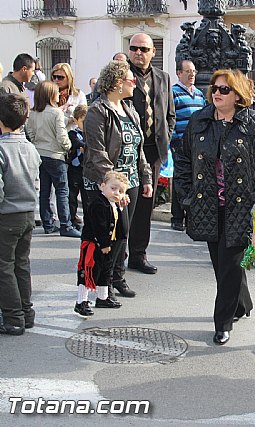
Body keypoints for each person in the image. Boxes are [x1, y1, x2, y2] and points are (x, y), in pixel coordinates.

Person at [173, 69, 255, 345]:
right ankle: (242, 304)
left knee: (231, 263)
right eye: (215, 89)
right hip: (208, 204)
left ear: (238, 95)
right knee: (221, 263)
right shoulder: (200, 120)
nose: (217, 94)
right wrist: (186, 194)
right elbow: (183, 157)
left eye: (224, 90)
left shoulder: (254, 123)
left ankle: (222, 323)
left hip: (242, 206)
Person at [83, 60, 153, 300]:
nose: (135, 83)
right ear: (116, 82)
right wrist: (113, 187)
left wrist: (145, 177)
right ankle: (103, 284)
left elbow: (138, 147)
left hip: (129, 182)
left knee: (123, 233)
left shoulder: (129, 108)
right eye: (131, 79)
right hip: (105, 186)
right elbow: (97, 152)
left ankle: (117, 278)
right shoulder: (97, 111)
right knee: (106, 236)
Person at [127, 32, 176, 275]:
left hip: (152, 151)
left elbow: (170, 114)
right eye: (134, 48)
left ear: (153, 52)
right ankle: (116, 254)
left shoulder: (163, 78)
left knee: (145, 205)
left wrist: (165, 136)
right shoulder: (121, 75)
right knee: (122, 204)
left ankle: (138, 254)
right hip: (126, 151)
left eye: (144, 49)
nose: (138, 53)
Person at [0, 92, 41, 335]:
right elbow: (35, 180)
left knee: (4, 266)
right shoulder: (29, 147)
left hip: (7, 214)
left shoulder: (2, 149)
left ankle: (13, 317)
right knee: (21, 264)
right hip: (27, 212)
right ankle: (26, 312)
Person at [25, 81, 81, 238]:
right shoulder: (56, 113)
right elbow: (62, 136)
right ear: (51, 94)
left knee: (45, 190)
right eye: (56, 92)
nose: (59, 94)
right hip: (56, 155)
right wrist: (68, 146)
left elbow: (31, 134)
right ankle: (66, 224)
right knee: (62, 190)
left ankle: (48, 223)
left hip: (40, 154)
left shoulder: (34, 112)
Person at [74, 171, 129, 316]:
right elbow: (99, 226)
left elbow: (123, 230)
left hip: (108, 244)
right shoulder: (98, 204)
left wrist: (122, 208)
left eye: (121, 191)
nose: (116, 193)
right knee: (88, 272)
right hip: (94, 244)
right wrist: (104, 244)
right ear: (102, 187)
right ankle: (81, 301)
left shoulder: (115, 205)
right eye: (113, 188)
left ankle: (103, 298)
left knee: (105, 271)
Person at [169, 59, 206, 231]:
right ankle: (177, 217)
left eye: (194, 72)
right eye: (188, 71)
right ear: (179, 73)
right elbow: (171, 117)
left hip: (196, 143)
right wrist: (175, 140)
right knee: (179, 179)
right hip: (179, 143)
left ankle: (191, 215)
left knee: (194, 178)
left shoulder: (199, 94)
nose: (192, 75)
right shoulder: (173, 92)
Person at [67, 104, 89, 229]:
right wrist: (84, 146)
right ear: (76, 120)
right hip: (75, 168)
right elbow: (77, 143)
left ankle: (88, 219)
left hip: (86, 169)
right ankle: (72, 218)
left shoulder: (92, 134)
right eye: (82, 121)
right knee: (72, 195)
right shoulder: (73, 133)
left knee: (87, 197)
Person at [50, 62, 88, 131]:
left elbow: (83, 116)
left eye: (60, 77)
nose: (56, 80)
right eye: (54, 77)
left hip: (72, 133)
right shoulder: (48, 94)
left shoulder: (78, 95)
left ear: (69, 78)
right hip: (53, 134)